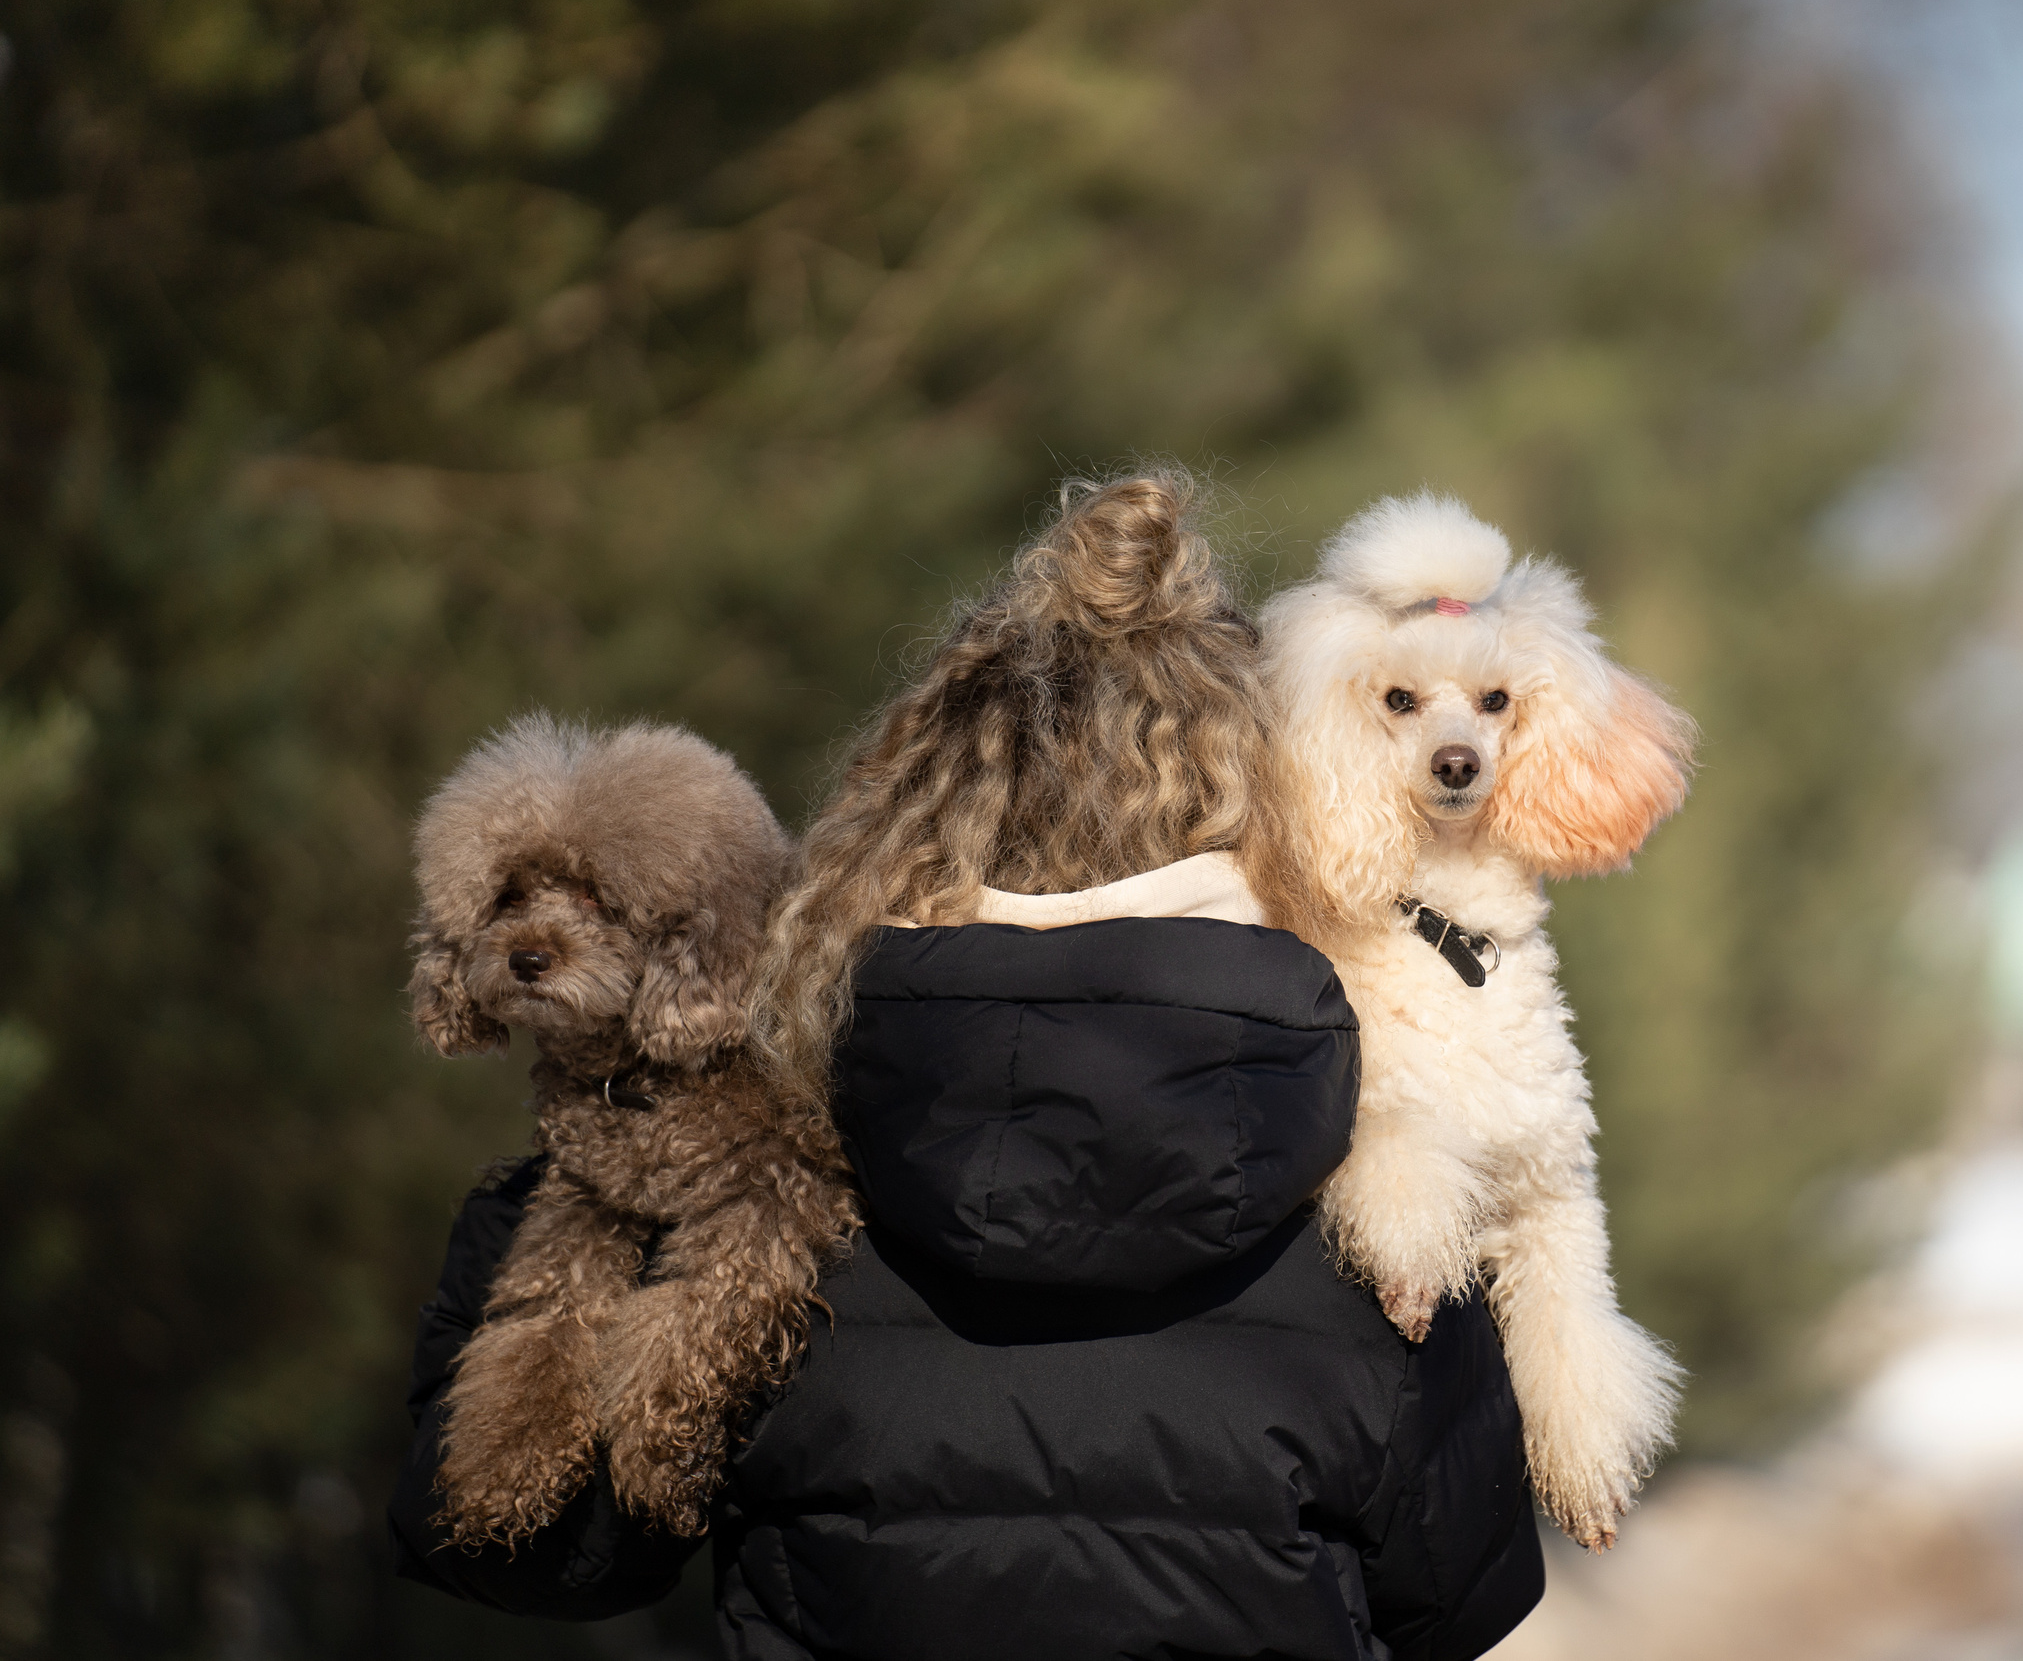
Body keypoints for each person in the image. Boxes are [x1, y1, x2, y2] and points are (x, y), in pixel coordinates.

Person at [388, 473, 1545, 1660]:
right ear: (1277, 818)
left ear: (912, 813)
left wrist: (543, 1210)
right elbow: (1461, 1596)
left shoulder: (777, 1186)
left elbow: (528, 1553)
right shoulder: (1383, 1206)